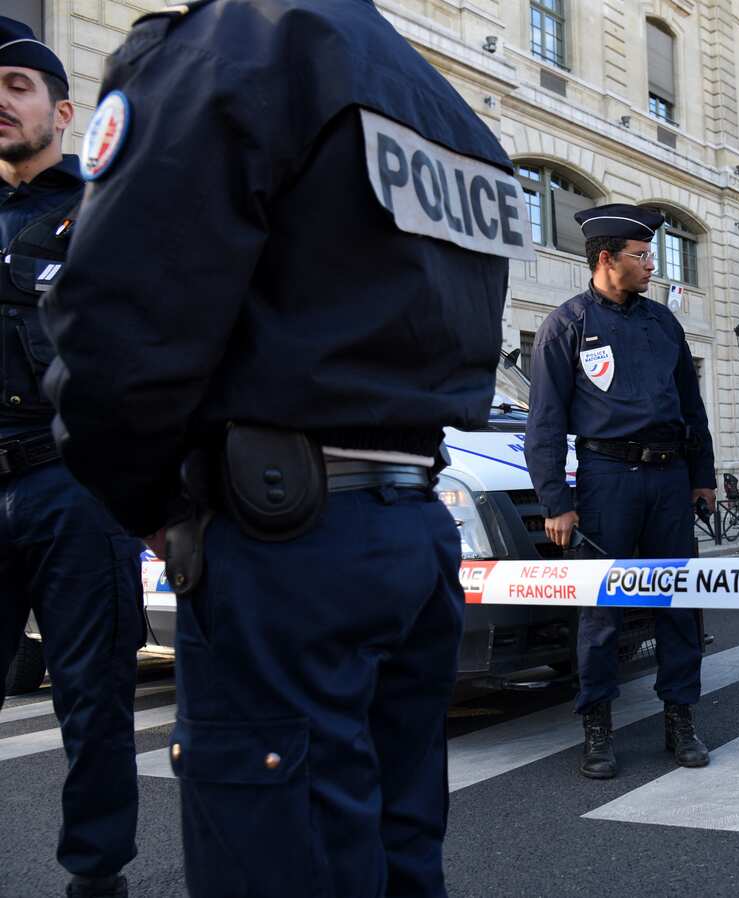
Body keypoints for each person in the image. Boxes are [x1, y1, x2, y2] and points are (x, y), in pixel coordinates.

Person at [40, 1, 523, 895]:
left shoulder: (234, 44)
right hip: (410, 531)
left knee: (278, 860)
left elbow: (115, 325)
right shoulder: (447, 109)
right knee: (397, 853)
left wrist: (151, 506)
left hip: (283, 541)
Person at [0, 19, 142, 898]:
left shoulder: (103, 211)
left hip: (72, 488)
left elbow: (146, 354)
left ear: (62, 108)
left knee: (94, 706)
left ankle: (97, 878)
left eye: (17, 84)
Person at [524, 203, 716, 779]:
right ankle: (597, 727)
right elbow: (545, 421)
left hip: (669, 479)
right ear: (606, 260)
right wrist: (556, 501)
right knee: (602, 612)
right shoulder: (568, 323)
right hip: (607, 481)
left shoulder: (664, 324)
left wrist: (702, 477)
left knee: (677, 605)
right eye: (641, 255)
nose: (653, 264)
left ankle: (680, 719)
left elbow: (692, 407)